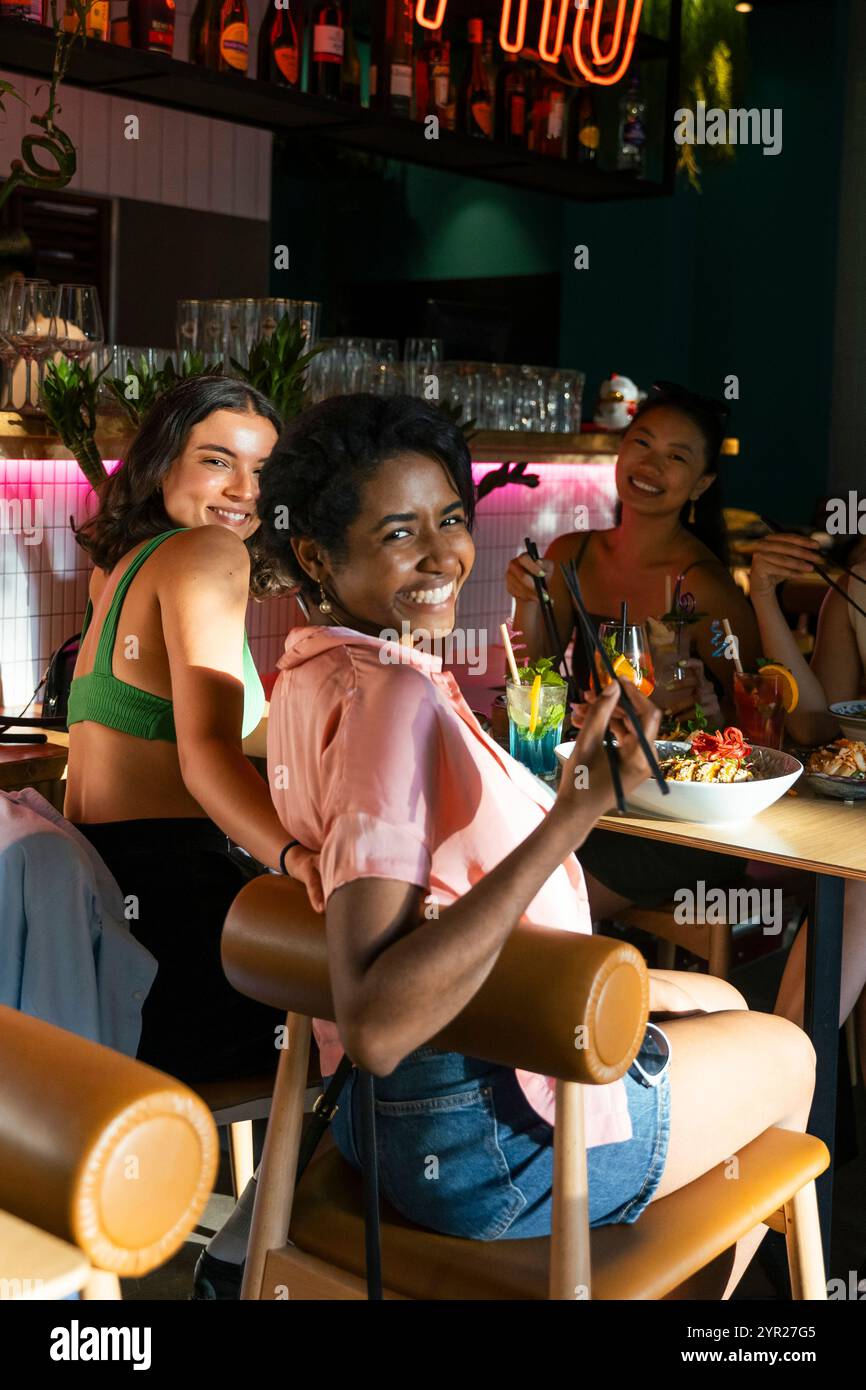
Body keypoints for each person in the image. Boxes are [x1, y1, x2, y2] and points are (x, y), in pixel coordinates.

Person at [198, 392, 815, 1299]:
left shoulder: (311, 670)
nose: (442, 556)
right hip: (485, 1149)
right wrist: (577, 811)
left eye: (450, 519)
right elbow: (374, 1019)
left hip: (380, 1124)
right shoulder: (393, 701)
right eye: (398, 533)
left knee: (718, 992)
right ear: (316, 554)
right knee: (790, 1054)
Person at [65, 376, 296, 1084]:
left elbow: (218, 726)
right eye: (218, 461)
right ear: (162, 462)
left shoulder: (119, 568)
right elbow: (206, 756)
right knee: (394, 1005)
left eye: (264, 471)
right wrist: (297, 861)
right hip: (179, 921)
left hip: (107, 913)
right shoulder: (209, 555)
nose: (245, 491)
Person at [506, 382, 761, 919]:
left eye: (676, 457)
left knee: (533, 903)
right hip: (587, 792)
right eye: (642, 444)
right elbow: (542, 671)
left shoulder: (704, 589)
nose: (651, 465)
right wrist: (527, 596)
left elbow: (758, 717)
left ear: (702, 484)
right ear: (620, 451)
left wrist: (698, 711)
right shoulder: (571, 553)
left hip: (676, 819)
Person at [749, 529, 866, 1081]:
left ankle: (775, 1091)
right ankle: (781, 1090)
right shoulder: (852, 586)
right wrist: (764, 595)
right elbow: (819, 725)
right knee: (851, 874)